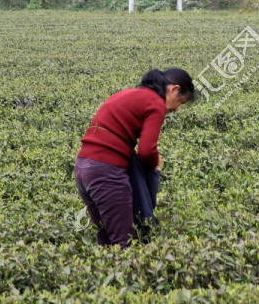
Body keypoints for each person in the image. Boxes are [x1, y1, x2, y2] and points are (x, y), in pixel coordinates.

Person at [74, 68, 196, 248]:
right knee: (124, 243)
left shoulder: (129, 94)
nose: (177, 109)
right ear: (173, 90)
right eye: (181, 102)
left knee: (107, 240)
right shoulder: (156, 103)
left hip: (83, 167)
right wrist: (156, 165)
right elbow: (147, 151)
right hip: (106, 171)